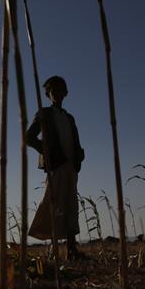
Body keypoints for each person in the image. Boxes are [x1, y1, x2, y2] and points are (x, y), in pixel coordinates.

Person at [26, 75, 87, 260]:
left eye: (61, 90)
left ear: (66, 93)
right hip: (56, 166)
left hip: (71, 166)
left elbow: (75, 141)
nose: (57, 94)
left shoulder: (69, 118)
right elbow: (28, 137)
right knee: (53, 205)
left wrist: (79, 155)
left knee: (71, 205)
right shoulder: (44, 114)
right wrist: (46, 151)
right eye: (53, 91)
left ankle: (71, 250)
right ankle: (53, 250)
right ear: (48, 94)